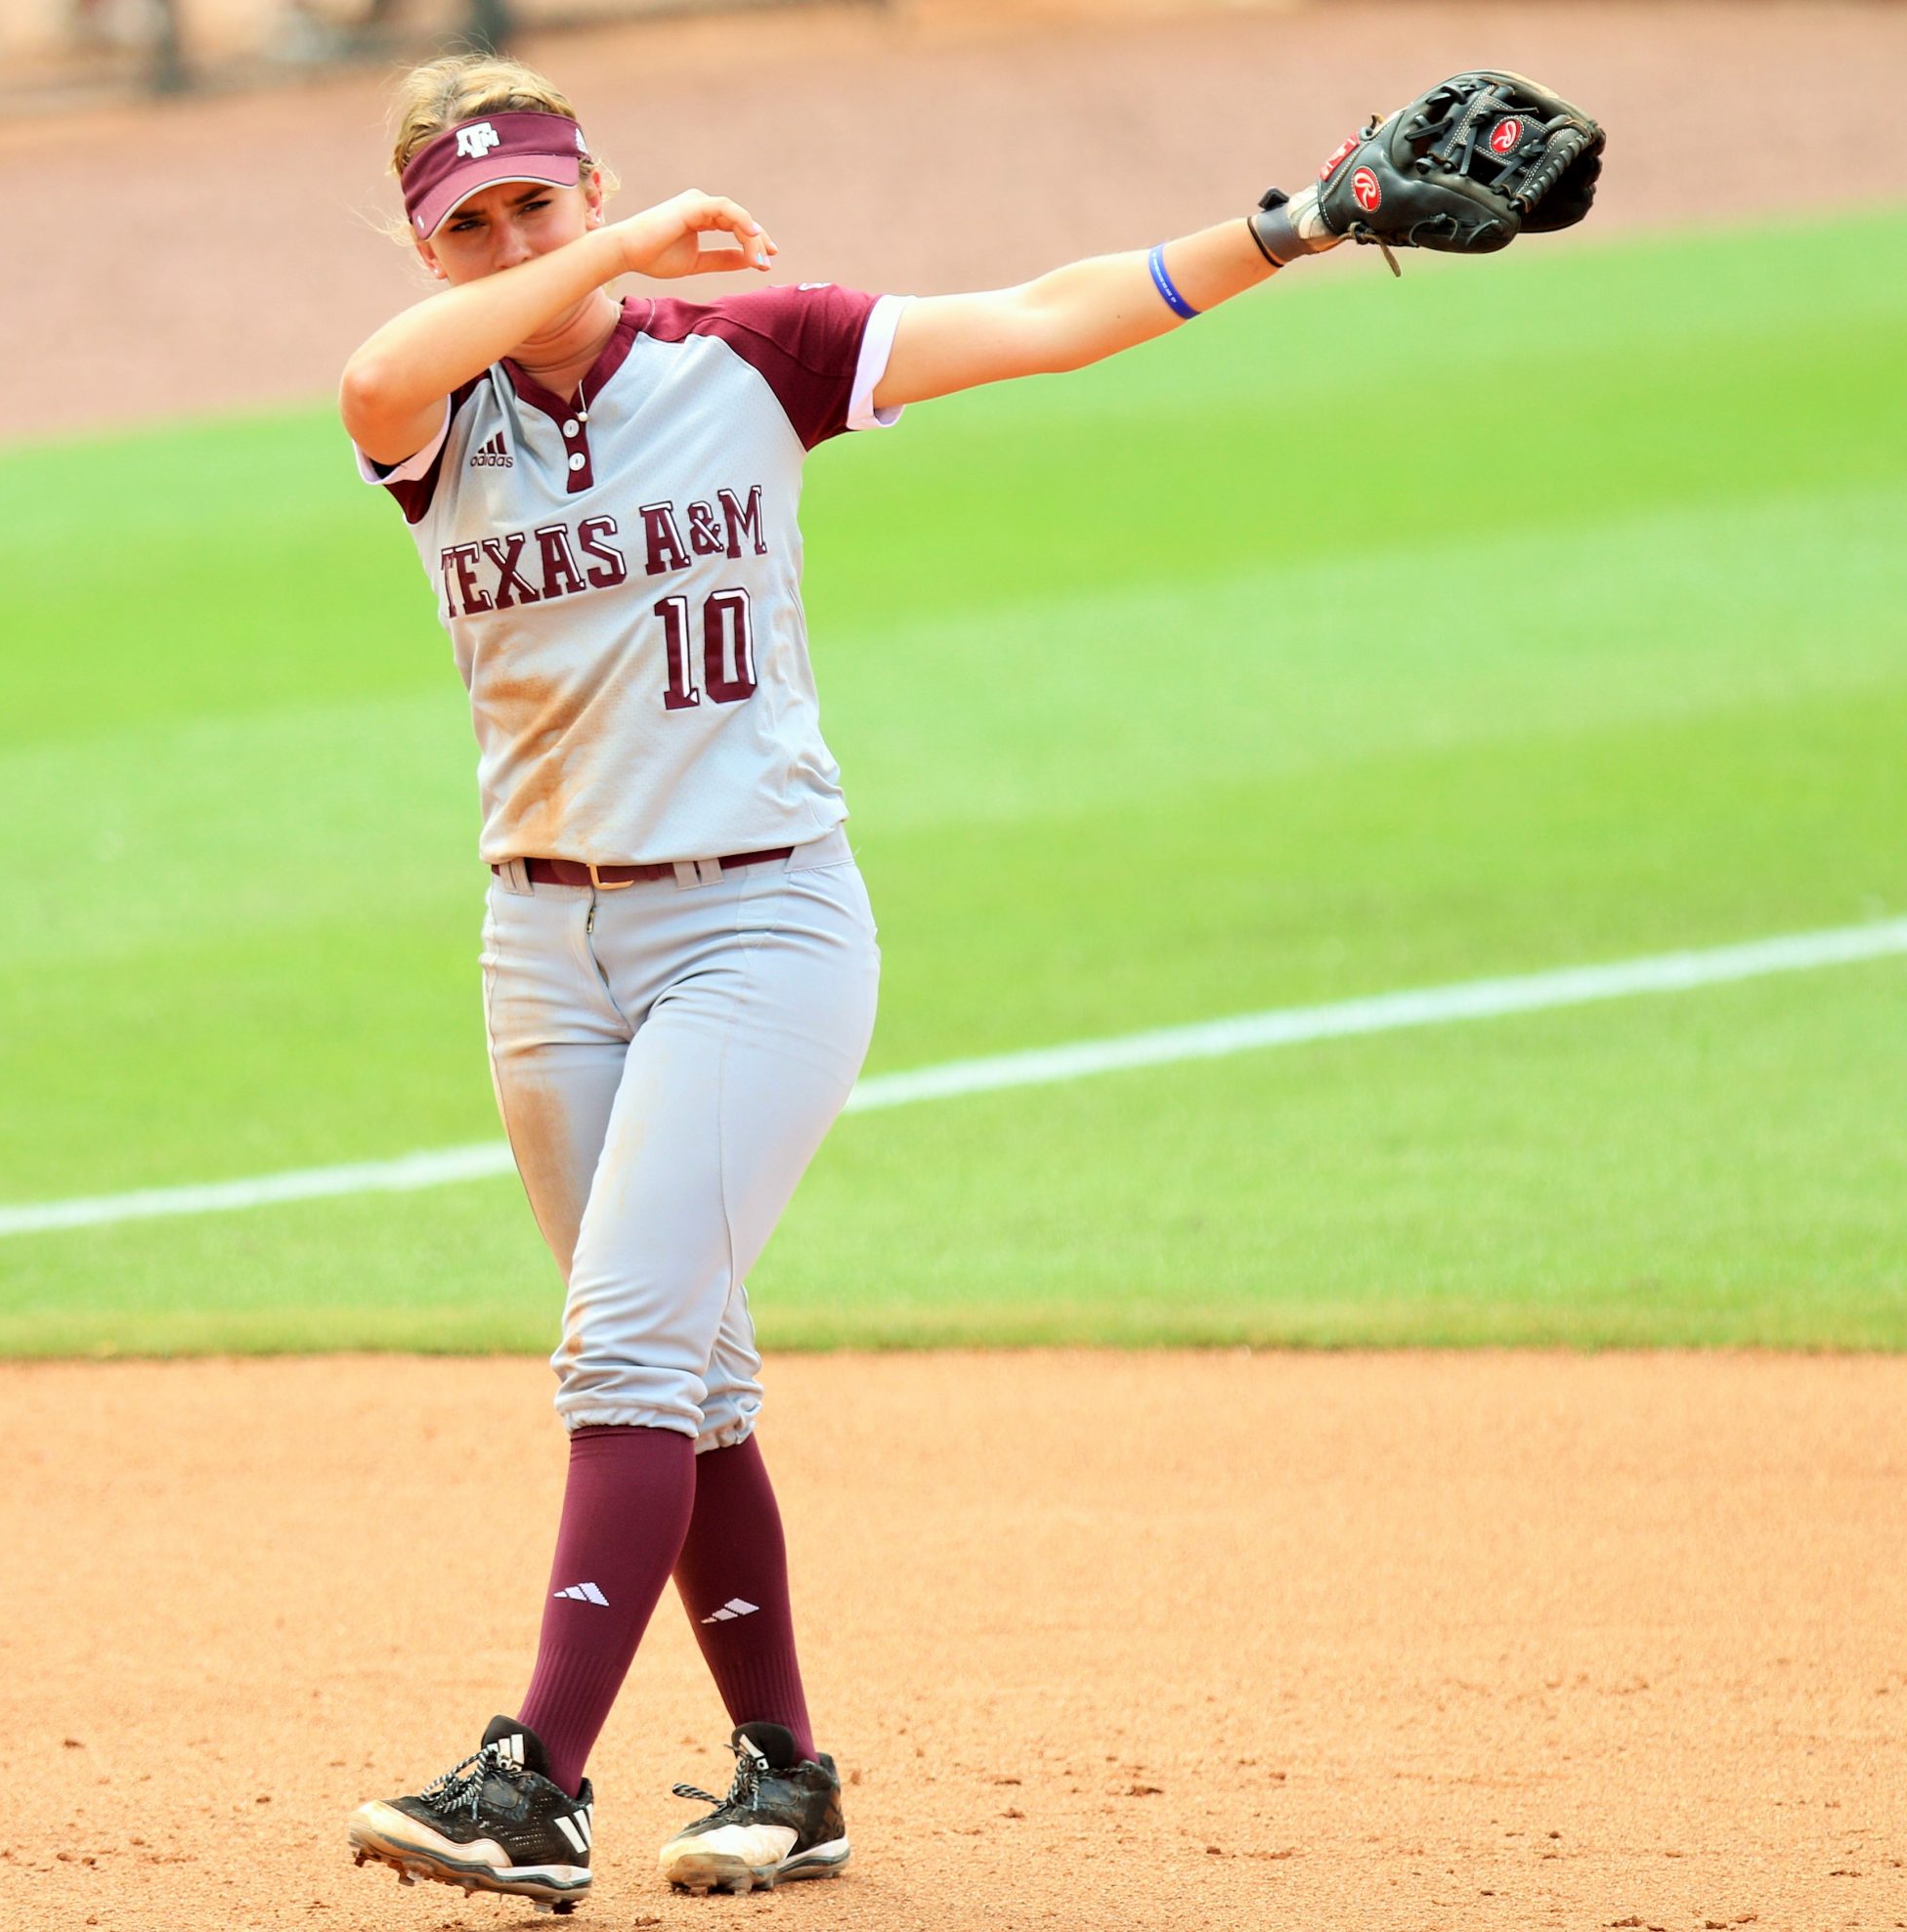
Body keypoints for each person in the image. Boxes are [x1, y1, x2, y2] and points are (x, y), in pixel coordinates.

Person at [334, 52, 1596, 1911]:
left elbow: (1038, 320)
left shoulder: (747, 352)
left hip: (758, 929)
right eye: (473, 224)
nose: (517, 241)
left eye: (542, 203)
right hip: (543, 948)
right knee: (688, 1379)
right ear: (427, 243)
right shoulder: (430, 416)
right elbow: (376, 372)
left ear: (586, 189)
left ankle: (537, 1780)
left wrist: (1303, 219)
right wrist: (625, 251)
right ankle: (789, 1780)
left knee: (618, 1344)